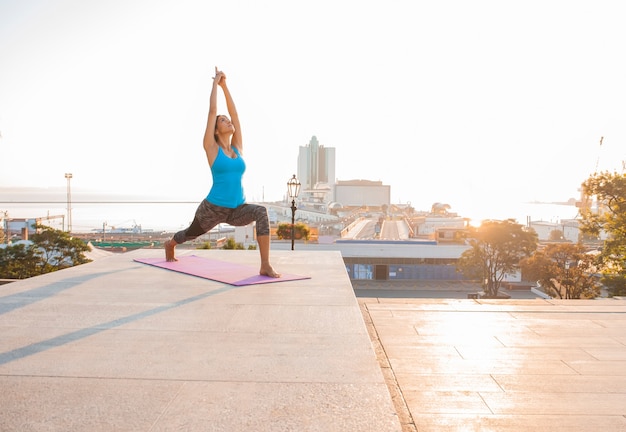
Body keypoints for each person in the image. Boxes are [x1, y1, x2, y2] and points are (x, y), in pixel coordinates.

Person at [164, 67, 280, 278]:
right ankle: (170, 244)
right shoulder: (211, 148)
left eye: (228, 120)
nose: (229, 121)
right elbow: (211, 111)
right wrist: (215, 84)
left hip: (237, 209)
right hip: (213, 208)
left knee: (261, 212)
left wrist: (226, 86)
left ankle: (265, 264)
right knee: (189, 234)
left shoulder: (237, 148)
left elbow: (235, 113)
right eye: (223, 120)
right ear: (216, 130)